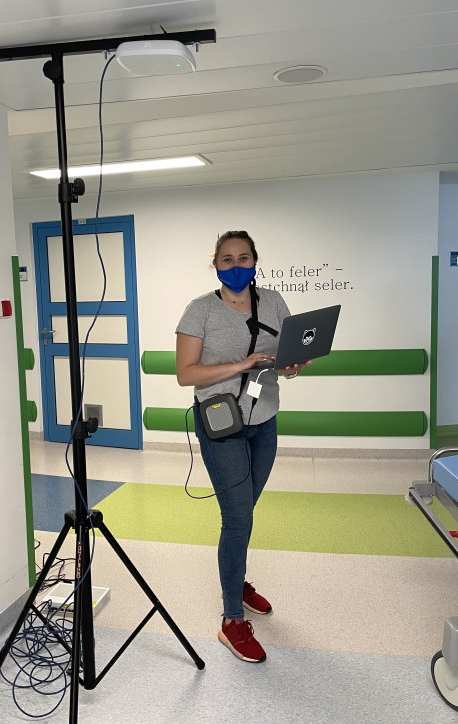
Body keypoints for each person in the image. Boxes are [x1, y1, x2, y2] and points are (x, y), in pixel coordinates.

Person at [175, 230, 308, 663]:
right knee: (236, 519)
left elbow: (286, 359)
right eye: (227, 259)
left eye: (244, 258)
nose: (236, 266)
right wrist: (240, 365)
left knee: (246, 512)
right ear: (215, 264)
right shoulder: (199, 311)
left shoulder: (273, 303)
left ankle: (237, 578)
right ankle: (232, 620)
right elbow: (186, 375)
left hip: (263, 419)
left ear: (256, 260)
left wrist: (291, 366)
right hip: (221, 423)